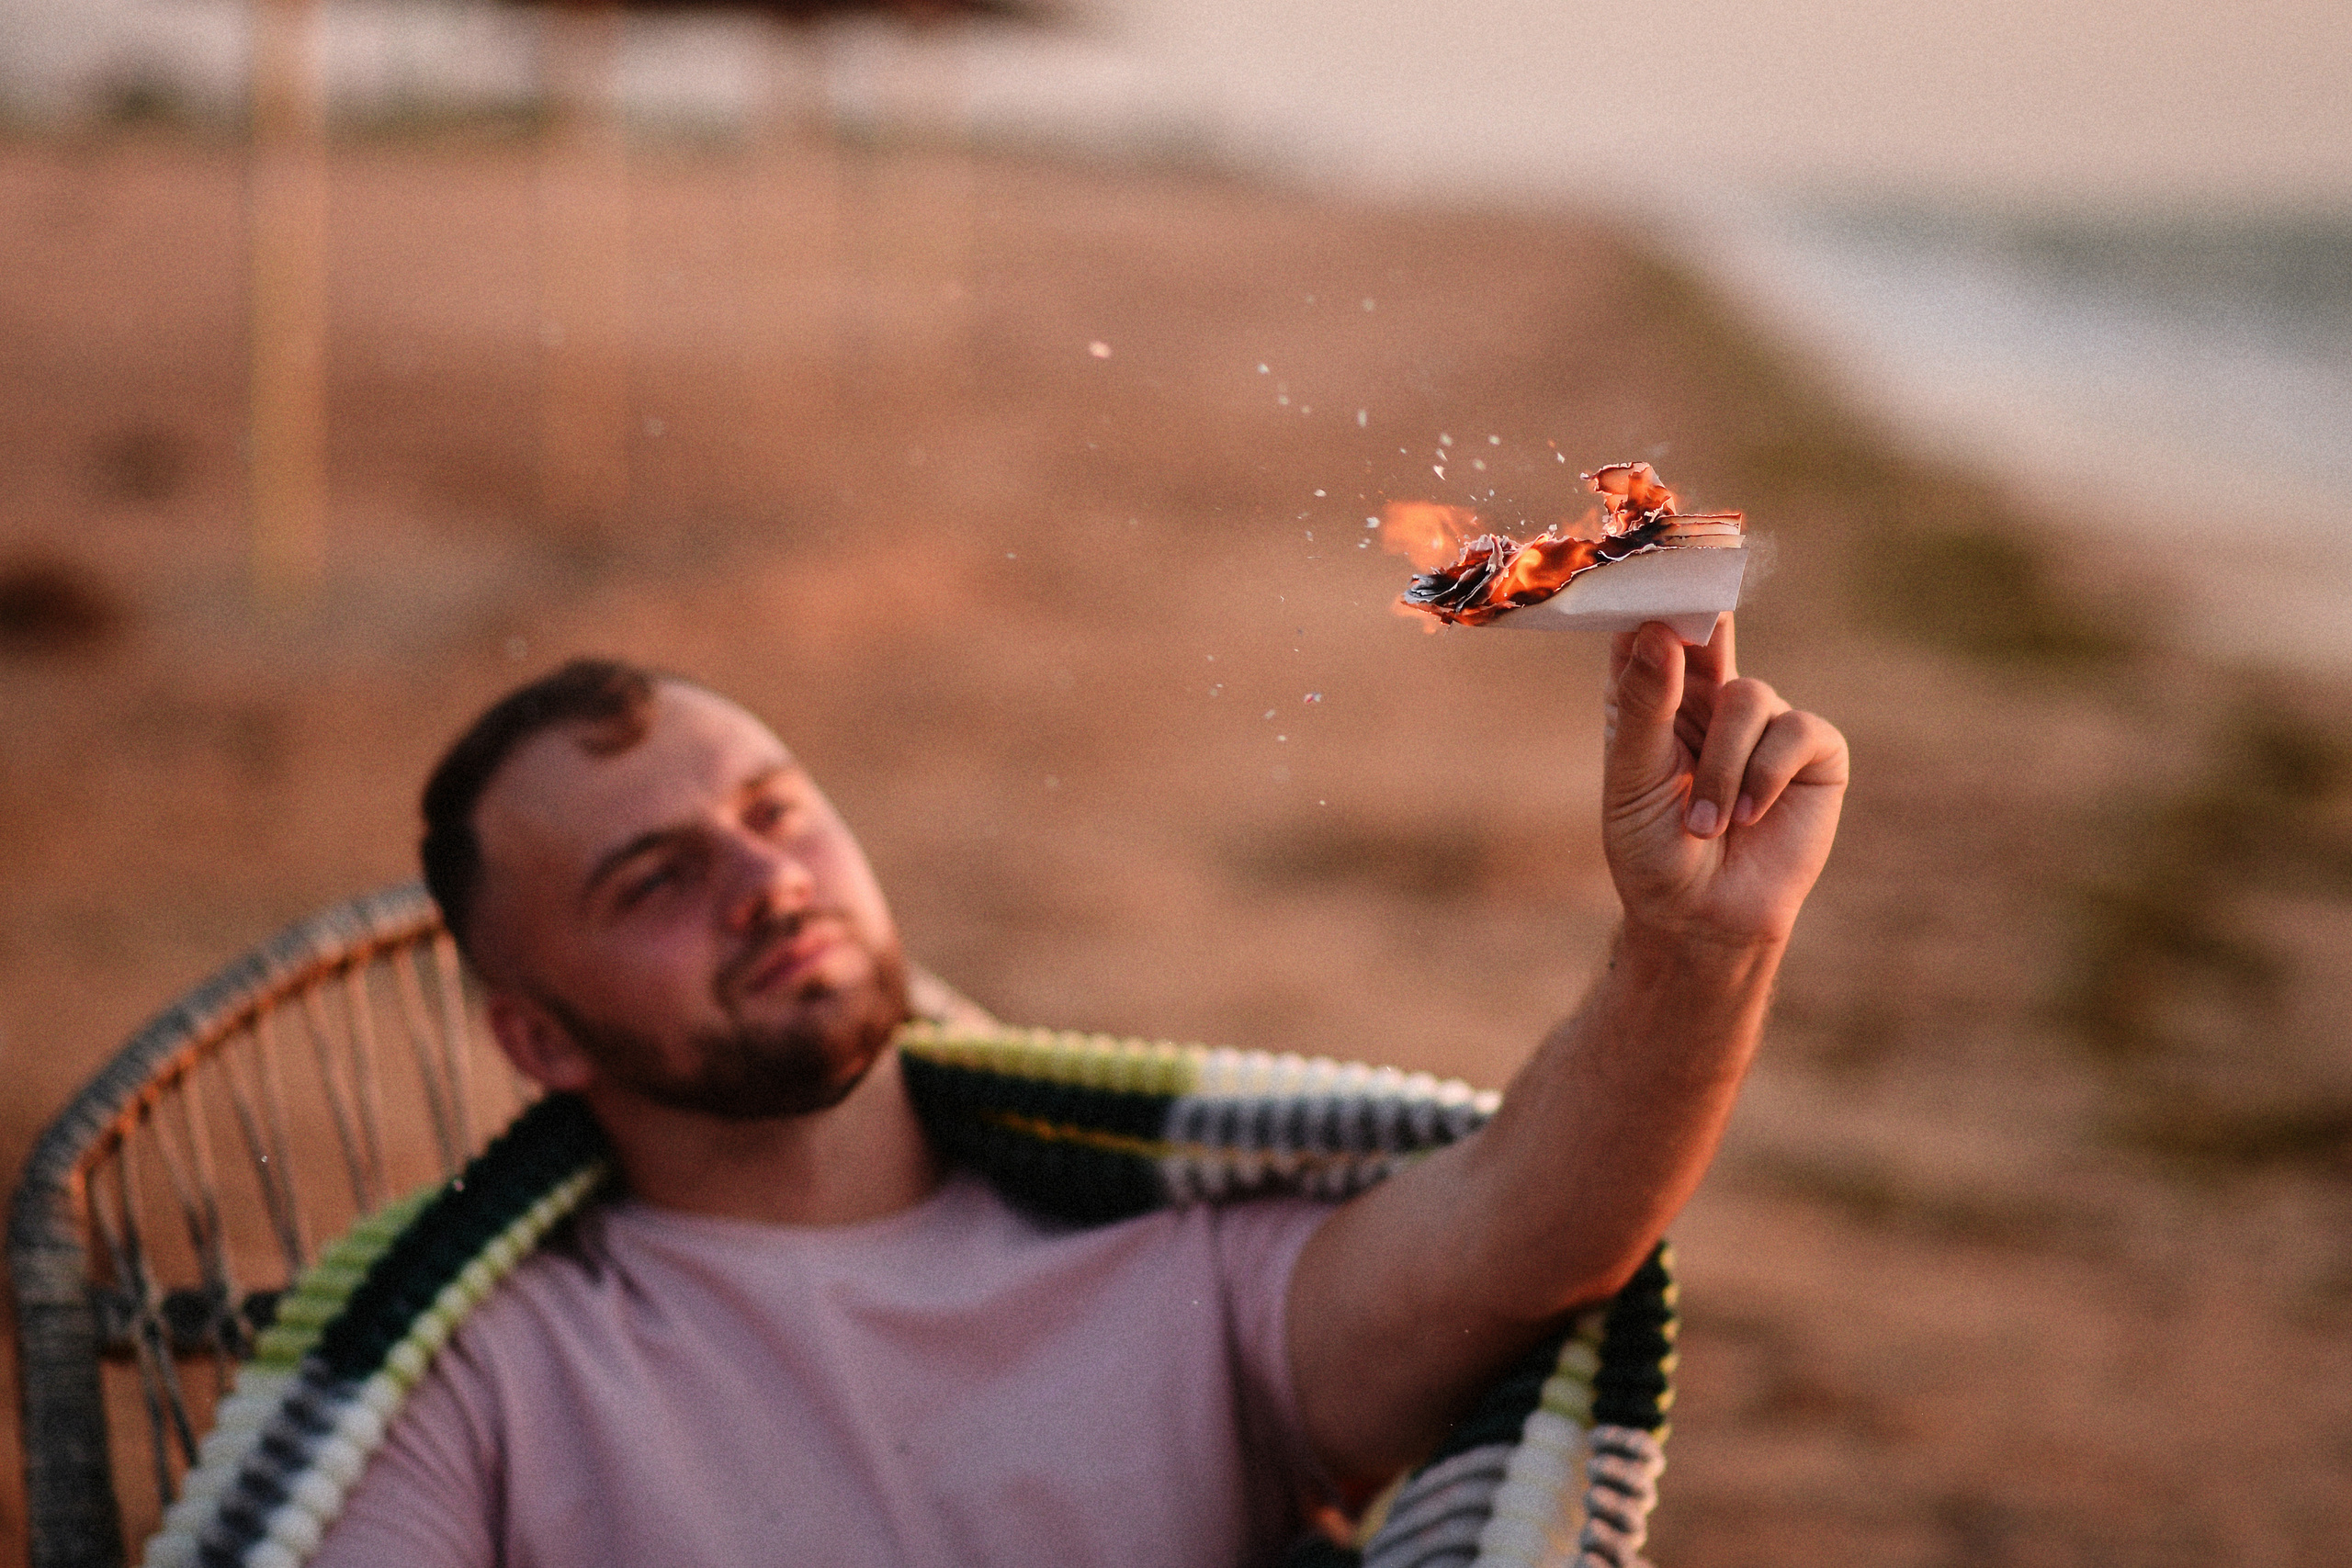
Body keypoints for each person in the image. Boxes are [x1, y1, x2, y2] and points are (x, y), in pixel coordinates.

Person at [309, 615, 1847, 1566]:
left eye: (779, 813)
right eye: (657, 879)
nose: (768, 883)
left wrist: (1698, 949)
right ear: (542, 1042)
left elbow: (1533, 1234)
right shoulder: (482, 1377)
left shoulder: (1158, 1247)